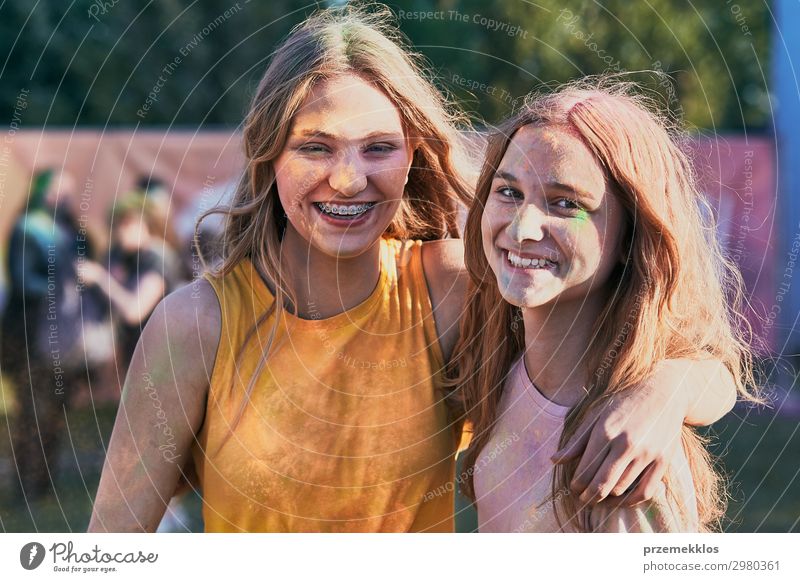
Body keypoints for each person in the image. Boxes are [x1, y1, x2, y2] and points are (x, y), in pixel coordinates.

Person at [89, 5, 736, 533]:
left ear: (413, 156)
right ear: (268, 157)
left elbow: (686, 362)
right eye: (314, 147)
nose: (348, 179)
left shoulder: (451, 288)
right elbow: (107, 552)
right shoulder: (195, 326)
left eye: (378, 148)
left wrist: (666, 390)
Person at [450, 80, 761, 532]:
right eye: (509, 192)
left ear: (631, 238)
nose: (522, 229)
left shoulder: (623, 458)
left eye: (565, 203)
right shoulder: (500, 365)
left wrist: (666, 391)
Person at [80, 194, 168, 370]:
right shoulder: (118, 254)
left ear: (146, 224)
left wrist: (100, 278)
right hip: (121, 353)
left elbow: (134, 312)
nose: (121, 230)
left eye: (128, 223)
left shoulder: (158, 260)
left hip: (155, 357)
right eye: (118, 224)